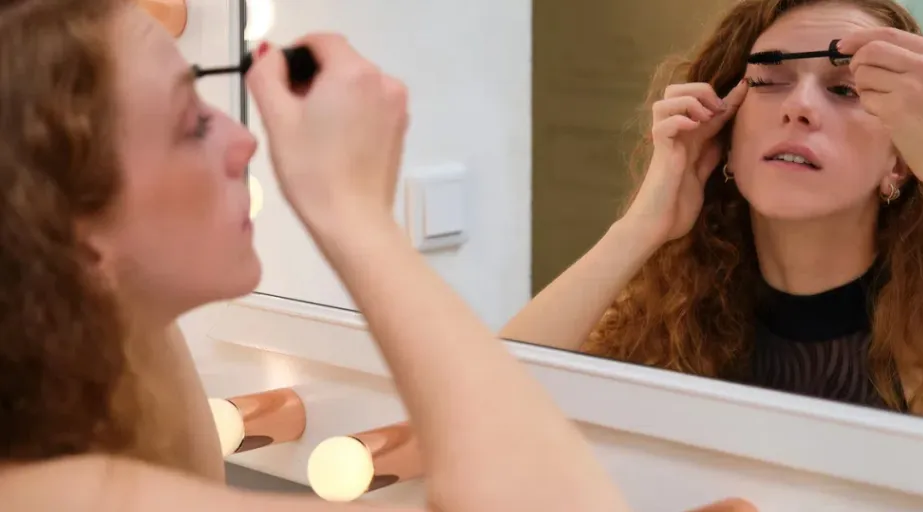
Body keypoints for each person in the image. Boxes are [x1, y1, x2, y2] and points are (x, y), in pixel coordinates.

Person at [0, 1, 751, 511]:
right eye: (193, 121)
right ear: (65, 227)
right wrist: (355, 215)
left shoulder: (111, 390)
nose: (245, 141)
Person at [501, 0, 923, 432]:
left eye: (844, 90)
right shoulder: (659, 313)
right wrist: (641, 227)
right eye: (770, 81)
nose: (799, 107)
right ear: (726, 135)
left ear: (901, 163)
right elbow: (482, 409)